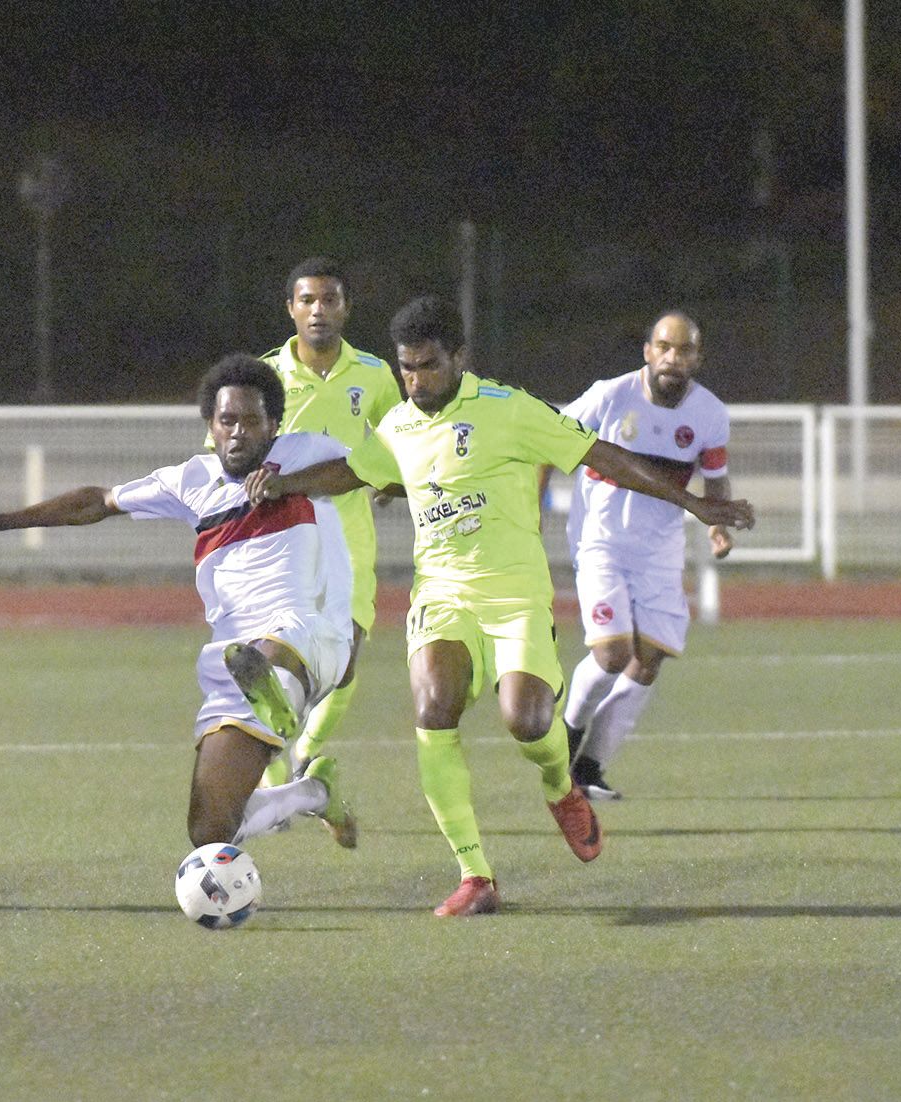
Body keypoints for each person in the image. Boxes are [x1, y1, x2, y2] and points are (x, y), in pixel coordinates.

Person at [245, 295, 755, 917]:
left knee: (528, 722)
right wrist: (284, 484)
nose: (414, 381)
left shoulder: (509, 410)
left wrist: (699, 505)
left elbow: (602, 456)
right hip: (442, 594)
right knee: (434, 708)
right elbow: (355, 469)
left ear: (459, 357)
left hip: (514, 596)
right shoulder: (400, 424)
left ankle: (560, 786)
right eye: (406, 368)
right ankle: (474, 874)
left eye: (427, 366)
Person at [0, 353, 360, 853]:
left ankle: (281, 695)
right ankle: (313, 791)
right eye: (227, 420)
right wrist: (3, 521)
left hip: (309, 633)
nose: (239, 432)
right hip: (233, 655)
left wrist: (286, 484)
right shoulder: (191, 482)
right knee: (210, 832)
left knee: (272, 649)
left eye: (251, 421)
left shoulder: (305, 453)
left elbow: (370, 472)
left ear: (274, 425)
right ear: (211, 425)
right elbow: (99, 500)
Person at [555, 311, 735, 801]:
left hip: (659, 548)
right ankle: (565, 738)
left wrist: (717, 525)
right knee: (612, 654)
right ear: (648, 351)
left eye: (684, 350)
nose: (673, 358)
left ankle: (590, 768)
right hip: (601, 538)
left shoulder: (710, 414)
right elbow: (547, 441)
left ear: (698, 358)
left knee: (649, 659)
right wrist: (532, 508)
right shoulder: (611, 396)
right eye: (665, 347)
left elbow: (715, 480)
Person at [254, 256, 401, 787]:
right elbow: (230, 446)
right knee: (279, 653)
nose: (318, 310)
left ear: (345, 308)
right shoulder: (266, 375)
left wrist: (388, 479)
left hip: (349, 534)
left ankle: (302, 752)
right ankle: (274, 765)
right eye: (308, 300)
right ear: (291, 308)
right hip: (281, 536)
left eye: (329, 300)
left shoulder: (374, 375)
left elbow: (395, 440)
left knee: (346, 661)